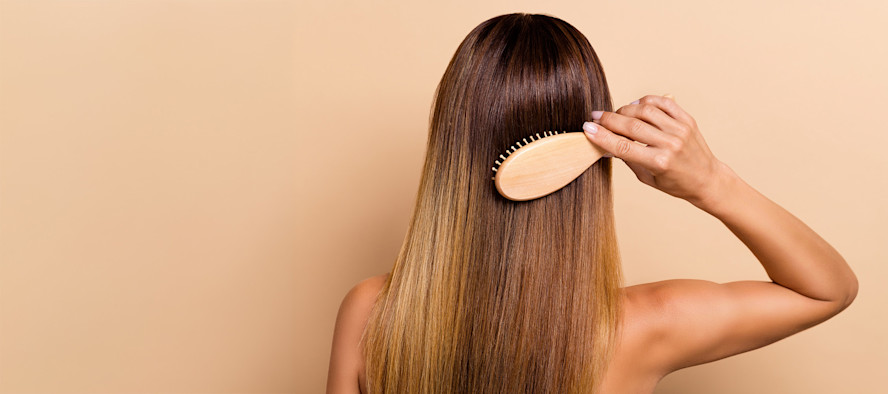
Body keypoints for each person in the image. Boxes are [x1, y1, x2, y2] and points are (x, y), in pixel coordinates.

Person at [326, 13, 858, 394]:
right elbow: (825, 291)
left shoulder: (371, 314)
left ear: (448, 149)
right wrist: (711, 181)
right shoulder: (646, 326)